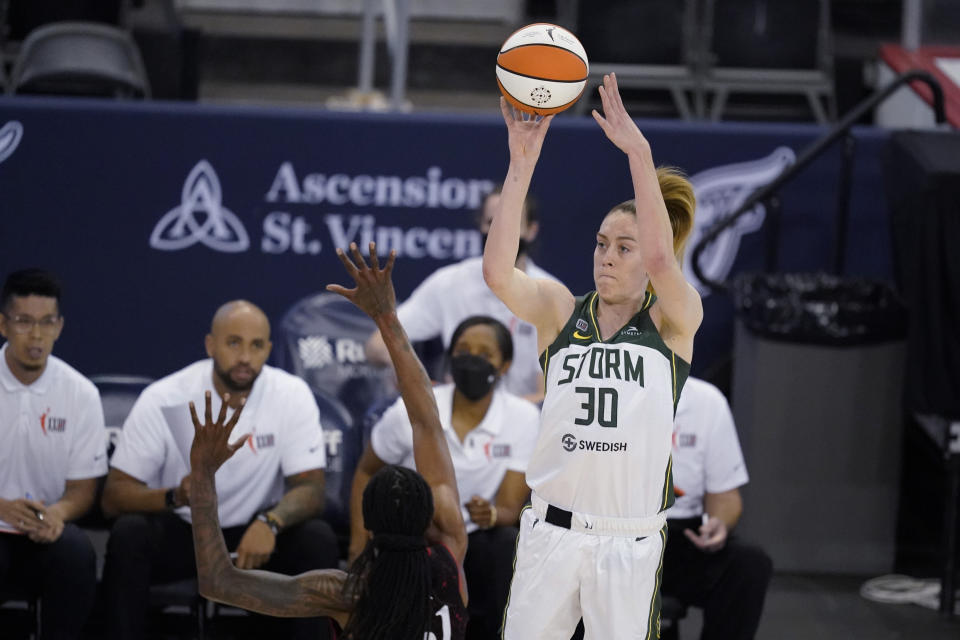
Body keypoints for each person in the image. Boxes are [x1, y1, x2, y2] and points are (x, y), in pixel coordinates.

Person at [483, 73, 702, 639]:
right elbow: (496, 273)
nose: (607, 256)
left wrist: (638, 152)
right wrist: (521, 163)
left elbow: (661, 259)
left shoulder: (673, 321)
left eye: (622, 247)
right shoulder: (560, 309)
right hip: (551, 532)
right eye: (601, 243)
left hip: (627, 540)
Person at [187, 242, 469, 640]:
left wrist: (202, 474)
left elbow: (218, 581)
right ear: (431, 515)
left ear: (367, 524)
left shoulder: (346, 593)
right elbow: (426, 418)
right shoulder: (450, 553)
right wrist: (387, 315)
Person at [100, 299, 338, 640]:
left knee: (317, 539)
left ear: (269, 349)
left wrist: (271, 522)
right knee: (130, 533)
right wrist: (176, 495)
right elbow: (113, 498)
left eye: (256, 345)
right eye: (233, 343)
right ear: (210, 345)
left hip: (254, 535)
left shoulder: (291, 394)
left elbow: (312, 490)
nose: (245, 357)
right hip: (187, 531)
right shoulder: (166, 396)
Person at [352, 315, 539, 638]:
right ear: (450, 357)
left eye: (485, 353)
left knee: (505, 544)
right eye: (463, 350)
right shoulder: (411, 411)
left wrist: (492, 514)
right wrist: (358, 544)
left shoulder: (522, 418)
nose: (472, 359)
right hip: (415, 536)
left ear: (505, 365)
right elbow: (367, 471)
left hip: (475, 539)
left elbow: (509, 507)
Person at [365, 186, 558, 403]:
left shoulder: (550, 296)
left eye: (511, 224)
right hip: (457, 418)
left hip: (526, 423)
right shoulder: (451, 283)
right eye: (491, 223)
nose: (501, 233)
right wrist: (417, 381)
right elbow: (377, 346)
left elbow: (551, 395)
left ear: (531, 230)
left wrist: (501, 413)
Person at [0, 268, 106, 640]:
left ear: (59, 327)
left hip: (43, 530)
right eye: (24, 322)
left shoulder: (80, 393)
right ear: (2, 324)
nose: (37, 334)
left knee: (76, 555)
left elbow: (82, 491)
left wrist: (55, 514)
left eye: (47, 322)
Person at [662, 377, 772, 640]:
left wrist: (718, 524)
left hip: (681, 535)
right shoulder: (605, 393)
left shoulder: (707, 402)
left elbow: (725, 496)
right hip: (616, 533)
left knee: (748, 564)